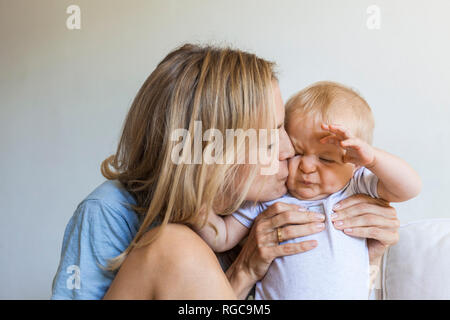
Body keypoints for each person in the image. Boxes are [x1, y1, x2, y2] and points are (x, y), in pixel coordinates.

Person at [51, 44, 400, 300]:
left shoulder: (272, 199)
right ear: (211, 152)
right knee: (174, 245)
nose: (289, 150)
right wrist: (243, 271)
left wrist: (362, 253)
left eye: (283, 130)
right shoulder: (109, 212)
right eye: (267, 140)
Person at [194, 81, 420, 299]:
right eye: (297, 153)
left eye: (325, 159)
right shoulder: (272, 199)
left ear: (355, 163)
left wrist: (373, 159)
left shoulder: (355, 186)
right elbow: (221, 237)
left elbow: (409, 188)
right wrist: (194, 202)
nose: (307, 166)